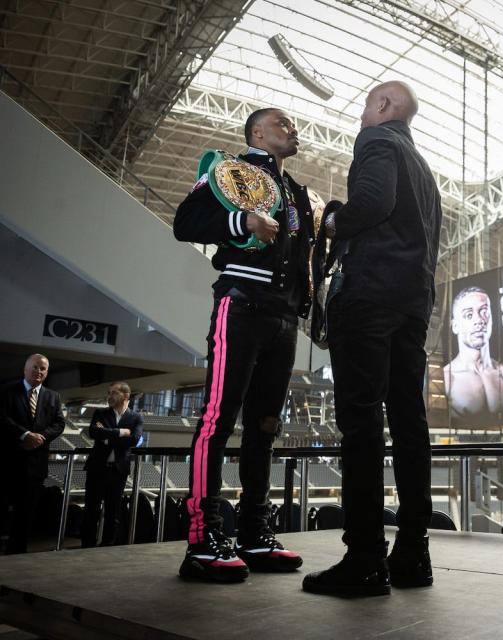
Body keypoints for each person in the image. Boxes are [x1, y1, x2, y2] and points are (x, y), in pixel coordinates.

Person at [302, 80, 442, 597]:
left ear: (384, 106)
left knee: (360, 423)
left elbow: (373, 201)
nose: (362, 113)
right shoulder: (424, 169)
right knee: (410, 424)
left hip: (370, 297)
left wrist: (335, 221)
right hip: (412, 303)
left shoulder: (378, 141)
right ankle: (413, 552)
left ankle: (364, 557)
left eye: (366, 104)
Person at [172, 107, 315, 582]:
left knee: (266, 427)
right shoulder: (229, 170)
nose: (292, 129)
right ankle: (202, 538)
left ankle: (254, 532)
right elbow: (186, 222)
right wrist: (243, 222)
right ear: (257, 132)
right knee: (218, 420)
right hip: (241, 303)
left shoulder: (296, 192)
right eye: (283, 123)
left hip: (283, 317)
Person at [0, 354, 65, 554]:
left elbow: (59, 424)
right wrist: (24, 434)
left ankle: (17, 553)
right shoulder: (7, 391)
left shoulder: (53, 396)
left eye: (43, 369)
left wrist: (40, 437)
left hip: (36, 464)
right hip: (8, 461)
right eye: (35, 367)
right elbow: (2, 418)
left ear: (46, 373)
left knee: (26, 512)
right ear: (25, 369)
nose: (39, 371)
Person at [443, 286, 503, 423]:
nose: (479, 320)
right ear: (455, 326)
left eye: (484, 311)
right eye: (468, 315)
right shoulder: (446, 379)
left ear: (491, 319)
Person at [80, 382, 143, 548]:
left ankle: (107, 546)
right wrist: (120, 433)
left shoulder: (136, 418)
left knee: (113, 512)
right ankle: (87, 545)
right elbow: (94, 432)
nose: (109, 396)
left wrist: (106, 437)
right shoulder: (100, 413)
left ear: (126, 396)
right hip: (97, 469)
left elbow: (134, 440)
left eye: (114, 393)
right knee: (91, 510)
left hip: (118, 471)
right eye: (108, 393)